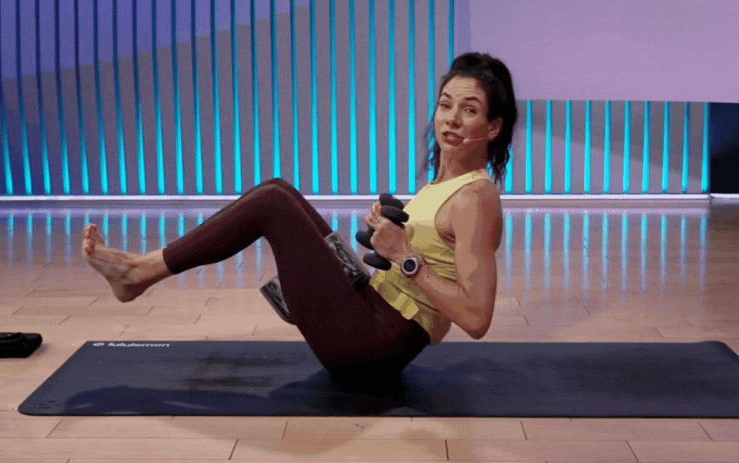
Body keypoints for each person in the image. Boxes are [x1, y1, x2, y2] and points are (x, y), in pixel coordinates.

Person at [82, 52, 519, 381]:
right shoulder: (443, 185)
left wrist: (406, 257)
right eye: (446, 105)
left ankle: (139, 272)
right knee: (282, 193)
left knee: (273, 201)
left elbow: (478, 318)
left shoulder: (475, 199)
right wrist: (389, 240)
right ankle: (139, 272)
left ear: (493, 127)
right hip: (371, 312)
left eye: (470, 110)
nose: (452, 119)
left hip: (374, 346)